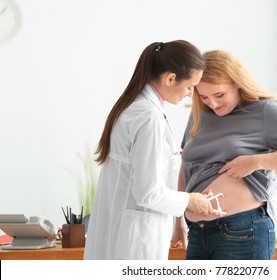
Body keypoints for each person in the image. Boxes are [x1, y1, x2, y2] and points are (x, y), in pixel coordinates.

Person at [172, 50, 277, 260]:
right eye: (204, 96)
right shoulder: (199, 114)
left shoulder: (265, 110)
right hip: (197, 232)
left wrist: (255, 162)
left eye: (219, 95)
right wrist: (178, 223)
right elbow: (186, 168)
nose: (212, 103)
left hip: (243, 230)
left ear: (237, 83)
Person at [83, 40, 217, 260]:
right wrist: (190, 201)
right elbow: (148, 193)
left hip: (130, 234)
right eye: (190, 87)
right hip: (134, 242)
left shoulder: (141, 109)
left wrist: (178, 220)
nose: (190, 94)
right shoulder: (148, 117)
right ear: (170, 78)